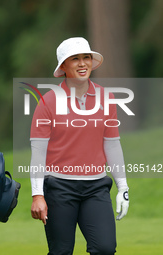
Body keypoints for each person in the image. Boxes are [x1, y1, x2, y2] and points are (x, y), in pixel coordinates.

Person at [30, 37, 129, 255]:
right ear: (63, 66)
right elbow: (38, 152)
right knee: (61, 251)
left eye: (86, 58)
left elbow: (112, 145)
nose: (83, 63)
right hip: (59, 187)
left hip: (96, 187)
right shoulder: (48, 101)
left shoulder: (106, 97)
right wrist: (37, 195)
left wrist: (123, 187)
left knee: (105, 248)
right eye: (75, 59)